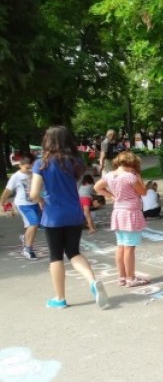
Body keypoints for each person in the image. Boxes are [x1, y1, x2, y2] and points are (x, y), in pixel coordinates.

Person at [29, 125, 109, 309]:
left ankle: (60, 298)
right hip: (74, 212)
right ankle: (92, 281)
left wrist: (41, 200)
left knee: (56, 256)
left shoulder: (42, 163)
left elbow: (33, 193)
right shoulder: (75, 161)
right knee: (73, 252)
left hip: (53, 215)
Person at [94, 151, 149, 288]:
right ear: (131, 164)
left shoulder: (109, 175)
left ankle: (122, 277)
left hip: (118, 212)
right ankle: (130, 278)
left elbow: (97, 187)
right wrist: (138, 176)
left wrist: (111, 196)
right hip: (131, 212)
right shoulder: (130, 176)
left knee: (121, 246)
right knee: (129, 247)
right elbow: (143, 192)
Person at [0, 153, 41, 259]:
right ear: (20, 165)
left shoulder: (35, 173)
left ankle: (25, 238)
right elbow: (7, 192)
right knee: (34, 223)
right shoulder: (16, 176)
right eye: (27, 167)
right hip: (23, 204)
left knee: (33, 226)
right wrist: (4, 206)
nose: (30, 170)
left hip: (34, 203)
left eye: (32, 167)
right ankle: (27, 249)